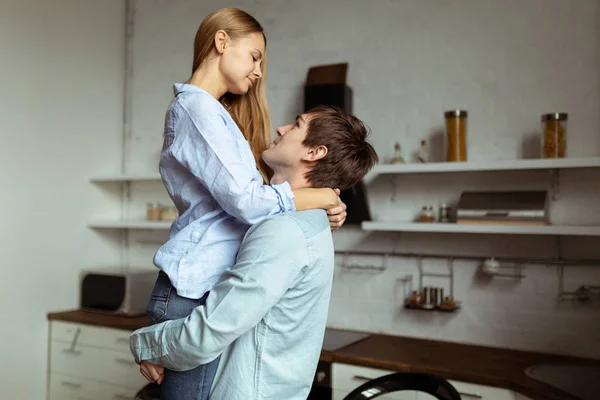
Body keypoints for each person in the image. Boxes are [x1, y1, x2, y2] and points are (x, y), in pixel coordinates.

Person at [147, 7, 348, 400]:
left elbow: (256, 204)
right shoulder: (195, 108)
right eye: (255, 57)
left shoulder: (216, 115)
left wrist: (320, 204)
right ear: (221, 42)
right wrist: (321, 195)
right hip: (189, 292)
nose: (259, 71)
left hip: (200, 290)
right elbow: (248, 202)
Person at [130, 105, 379, 400]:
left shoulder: (283, 230)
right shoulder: (310, 221)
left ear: (314, 152)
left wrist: (145, 345)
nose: (281, 129)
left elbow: (210, 331)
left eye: (297, 125)